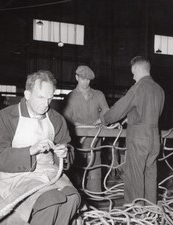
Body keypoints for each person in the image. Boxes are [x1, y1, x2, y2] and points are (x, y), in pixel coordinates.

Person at [0, 70, 81, 225]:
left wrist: (65, 153)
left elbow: (69, 153)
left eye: (50, 98)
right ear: (27, 94)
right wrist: (30, 150)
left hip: (48, 172)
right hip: (17, 174)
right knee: (51, 198)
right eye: (40, 97)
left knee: (73, 198)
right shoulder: (8, 116)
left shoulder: (56, 119)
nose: (45, 104)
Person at [100, 56, 165, 204]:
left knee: (134, 179)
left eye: (133, 73)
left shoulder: (138, 87)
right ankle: (151, 215)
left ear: (136, 69)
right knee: (150, 176)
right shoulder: (159, 90)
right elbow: (151, 113)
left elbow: (118, 110)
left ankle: (135, 218)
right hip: (155, 138)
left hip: (139, 138)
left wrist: (104, 118)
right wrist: (133, 117)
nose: (133, 76)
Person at [63, 65, 109, 192]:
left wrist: (102, 119)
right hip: (77, 141)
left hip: (95, 141)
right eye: (83, 79)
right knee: (75, 171)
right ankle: (76, 199)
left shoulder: (99, 95)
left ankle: (96, 197)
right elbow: (65, 118)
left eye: (88, 80)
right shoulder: (70, 97)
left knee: (95, 171)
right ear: (76, 77)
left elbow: (106, 111)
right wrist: (76, 124)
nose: (85, 82)